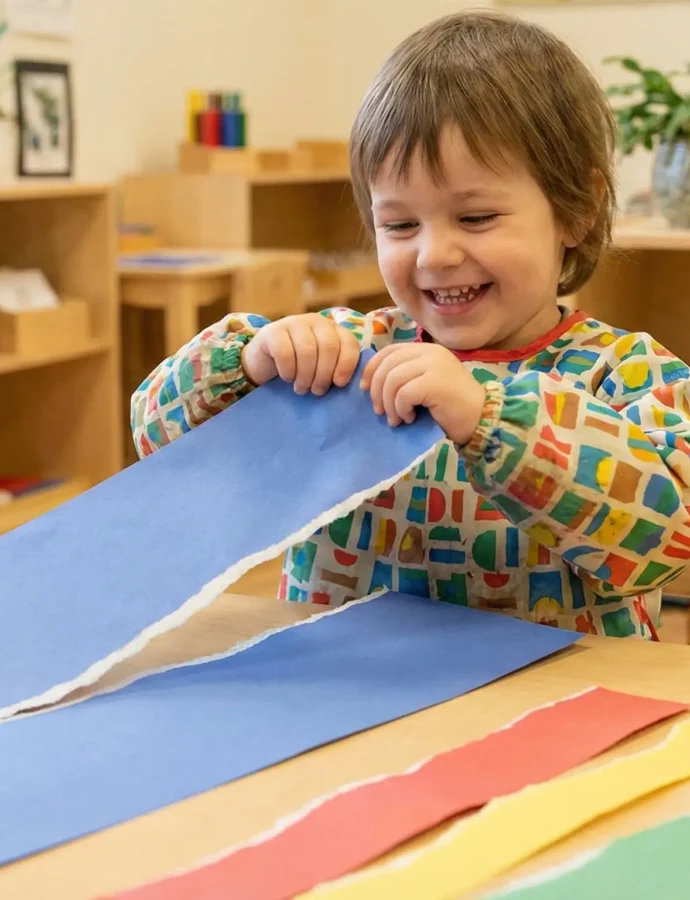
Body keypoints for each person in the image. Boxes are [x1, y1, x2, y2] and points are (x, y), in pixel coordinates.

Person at [131, 10, 690, 638]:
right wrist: (248, 364)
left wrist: (488, 416)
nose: (434, 255)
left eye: (476, 218)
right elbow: (157, 440)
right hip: (342, 681)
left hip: (555, 690)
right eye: (399, 225)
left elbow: (668, 539)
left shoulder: (626, 373)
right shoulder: (346, 355)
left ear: (577, 210)